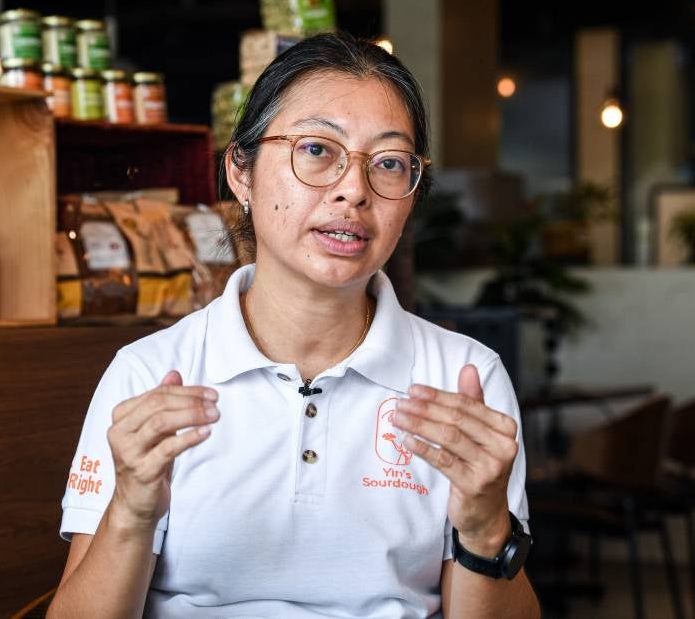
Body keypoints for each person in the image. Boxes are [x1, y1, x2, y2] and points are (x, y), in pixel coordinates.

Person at [48, 32, 540, 618]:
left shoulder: (464, 378)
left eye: (387, 163)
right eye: (316, 150)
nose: (353, 191)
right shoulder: (151, 374)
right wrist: (131, 511)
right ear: (241, 173)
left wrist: (487, 532)